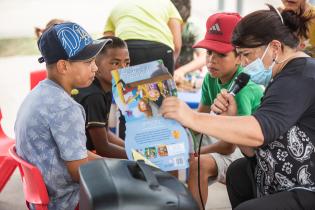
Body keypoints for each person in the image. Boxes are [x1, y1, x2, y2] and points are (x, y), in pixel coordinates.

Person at [161, 5, 315, 210]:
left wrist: (192, 117)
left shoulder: (300, 78)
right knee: (237, 172)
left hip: (306, 185)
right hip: (276, 173)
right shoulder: (281, 76)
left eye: (246, 54)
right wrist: (231, 116)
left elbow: (259, 132)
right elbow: (253, 149)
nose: (243, 63)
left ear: (275, 48)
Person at [14, 22, 111, 210]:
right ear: (63, 66)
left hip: (42, 198)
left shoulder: (38, 94)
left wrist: (118, 164)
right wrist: (120, 173)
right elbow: (78, 172)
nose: (95, 68)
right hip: (66, 202)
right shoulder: (66, 109)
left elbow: (77, 154)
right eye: (88, 62)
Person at [186, 12, 264, 209]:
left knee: (198, 164)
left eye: (221, 54)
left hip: (246, 150)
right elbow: (198, 121)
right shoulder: (210, 79)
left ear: (240, 57)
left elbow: (230, 146)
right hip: (223, 140)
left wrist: (194, 152)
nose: (212, 60)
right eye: (208, 52)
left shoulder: (244, 88)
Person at [73, 36, 129, 159]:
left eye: (127, 63)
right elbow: (103, 148)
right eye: (115, 63)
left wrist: (130, 147)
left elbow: (106, 133)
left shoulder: (106, 88)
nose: (123, 68)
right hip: (80, 161)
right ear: (96, 65)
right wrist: (138, 157)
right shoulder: (94, 96)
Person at [103, 0, 182, 75]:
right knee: (163, 88)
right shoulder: (166, 3)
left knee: (128, 87)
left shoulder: (118, 7)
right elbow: (177, 44)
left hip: (128, 48)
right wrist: (170, 62)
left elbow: (107, 45)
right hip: (161, 49)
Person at [171, 0, 206, 83]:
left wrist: (182, 70)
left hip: (186, 76)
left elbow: (204, 56)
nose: (175, 29)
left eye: (179, 26)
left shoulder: (193, 29)